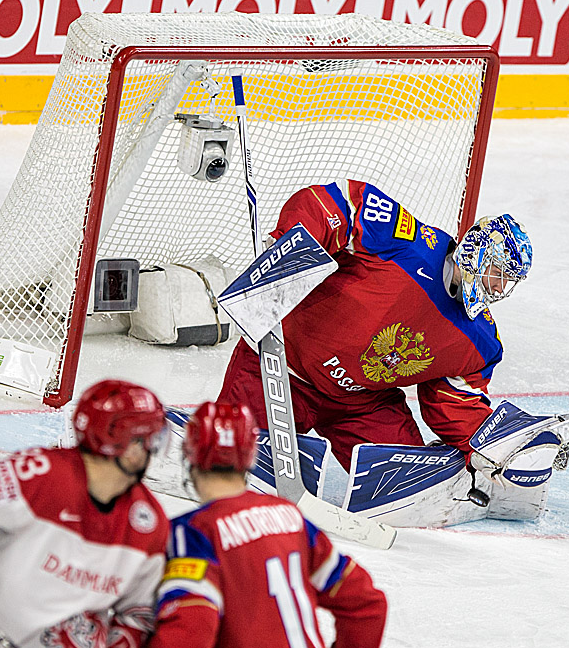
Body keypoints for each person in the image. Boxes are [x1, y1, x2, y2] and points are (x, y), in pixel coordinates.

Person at [217, 179, 533, 471]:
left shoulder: (480, 342)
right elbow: (336, 202)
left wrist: (493, 451)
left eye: (508, 279)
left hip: (360, 405)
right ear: (476, 250)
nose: (499, 285)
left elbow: (454, 404)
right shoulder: (410, 244)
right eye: (498, 271)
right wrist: (292, 246)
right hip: (281, 368)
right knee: (223, 464)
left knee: (410, 480)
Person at [0, 379, 171, 648]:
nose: (154, 450)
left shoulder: (148, 524)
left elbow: (138, 614)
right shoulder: (42, 475)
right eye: (151, 438)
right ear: (128, 445)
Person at [143, 401, 388, 648]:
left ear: (189, 456)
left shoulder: (192, 533)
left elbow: (185, 637)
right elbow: (367, 604)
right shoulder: (290, 517)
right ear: (251, 455)